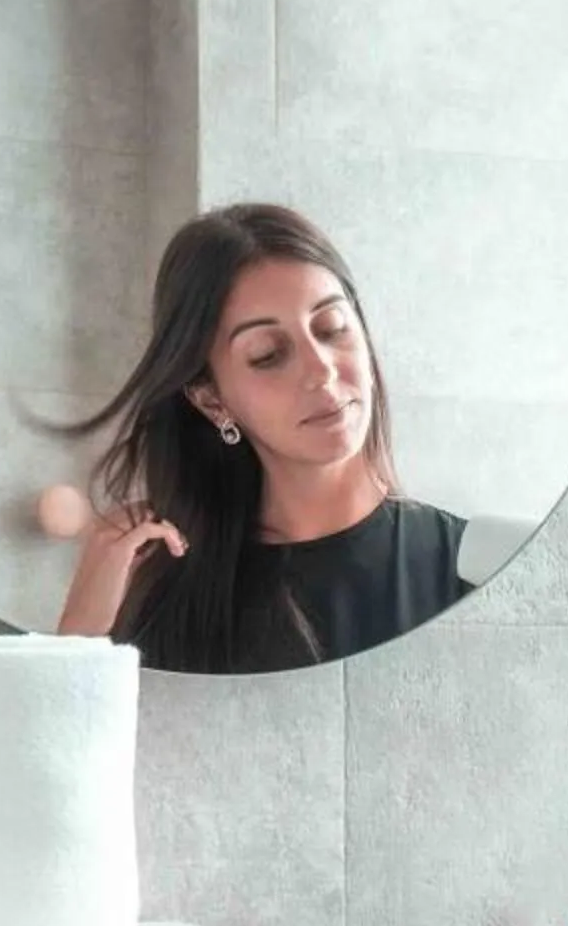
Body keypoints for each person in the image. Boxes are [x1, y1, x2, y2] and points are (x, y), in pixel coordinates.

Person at [58, 203, 470, 671]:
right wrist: (81, 628)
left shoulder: (468, 566)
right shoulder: (166, 597)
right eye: (268, 355)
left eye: (332, 329)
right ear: (212, 399)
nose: (321, 370)